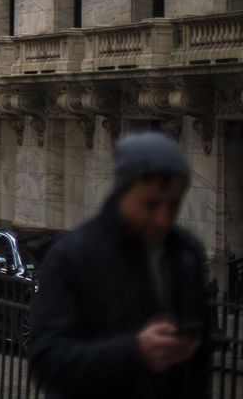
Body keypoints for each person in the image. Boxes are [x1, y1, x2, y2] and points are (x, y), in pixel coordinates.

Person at [28, 132, 211, 399]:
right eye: (150, 204)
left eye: (172, 206)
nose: (162, 218)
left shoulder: (186, 253)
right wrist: (135, 351)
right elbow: (47, 363)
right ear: (122, 192)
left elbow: (200, 357)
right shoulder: (73, 256)